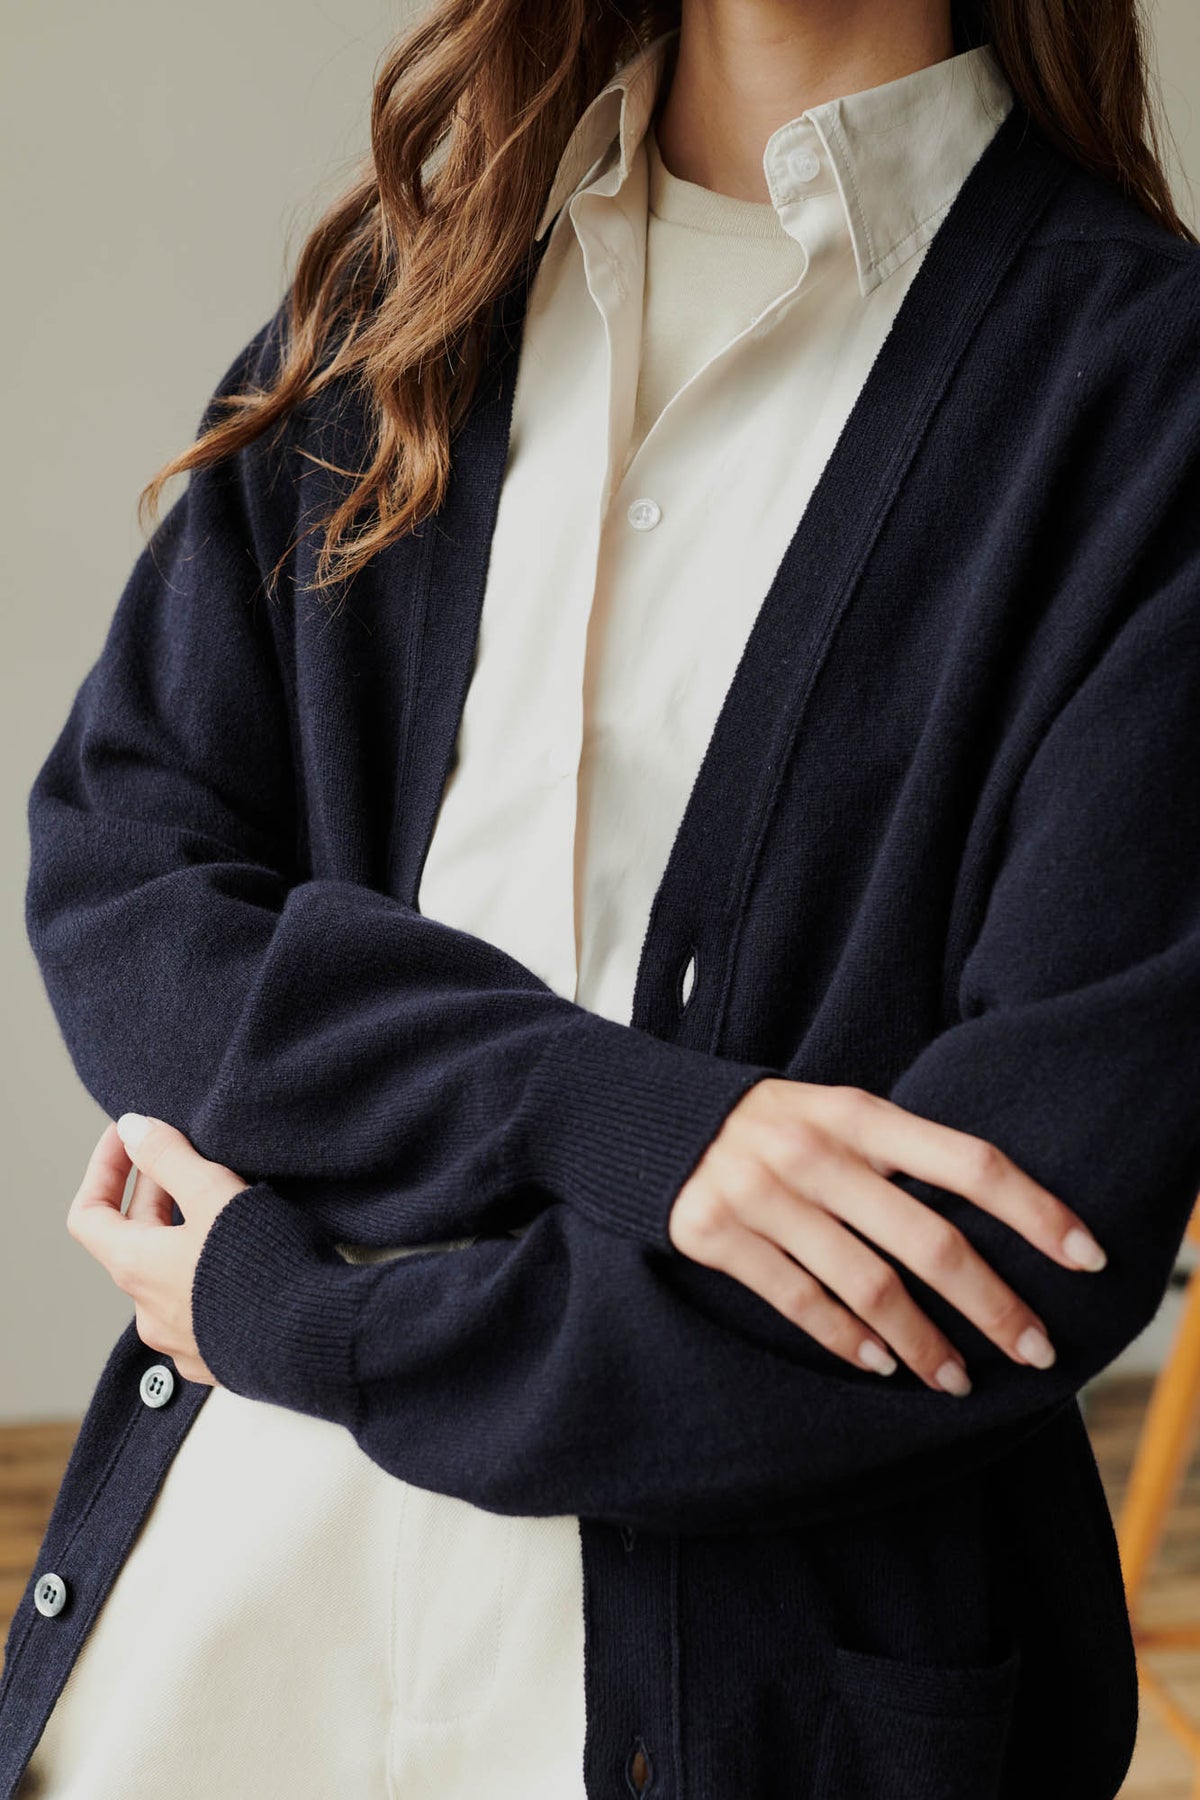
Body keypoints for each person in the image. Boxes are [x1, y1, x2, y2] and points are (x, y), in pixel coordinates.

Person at [6, 0, 1200, 1795]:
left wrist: (303, 1316)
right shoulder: (414, 288)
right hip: (216, 1663)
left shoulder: (1143, 393)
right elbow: (126, 883)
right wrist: (634, 1124)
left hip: (764, 1714)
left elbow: (1003, 1250)